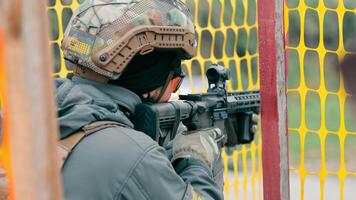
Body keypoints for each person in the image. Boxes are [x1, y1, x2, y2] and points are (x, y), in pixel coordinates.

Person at [57, 0, 258, 199]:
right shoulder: (135, 156)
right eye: (174, 83)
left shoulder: (42, 116)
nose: (171, 95)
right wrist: (196, 161)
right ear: (150, 85)